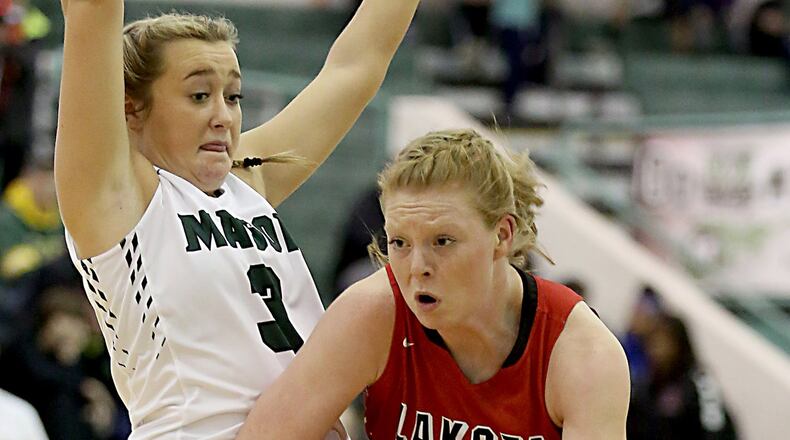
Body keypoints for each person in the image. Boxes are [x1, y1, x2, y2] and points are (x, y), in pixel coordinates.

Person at [53, 0, 419, 438]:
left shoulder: (247, 181)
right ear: (131, 109)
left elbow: (356, 66)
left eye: (233, 96)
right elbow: (93, 9)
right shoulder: (115, 199)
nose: (223, 117)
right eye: (199, 96)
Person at [237, 129, 631, 439]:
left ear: (502, 235)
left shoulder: (581, 354)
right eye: (400, 244)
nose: (417, 268)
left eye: (442, 241)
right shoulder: (373, 313)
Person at [627, 314, 738, 440]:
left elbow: (715, 426)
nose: (656, 351)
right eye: (652, 343)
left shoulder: (700, 379)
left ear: (678, 345)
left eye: (662, 343)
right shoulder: (651, 382)